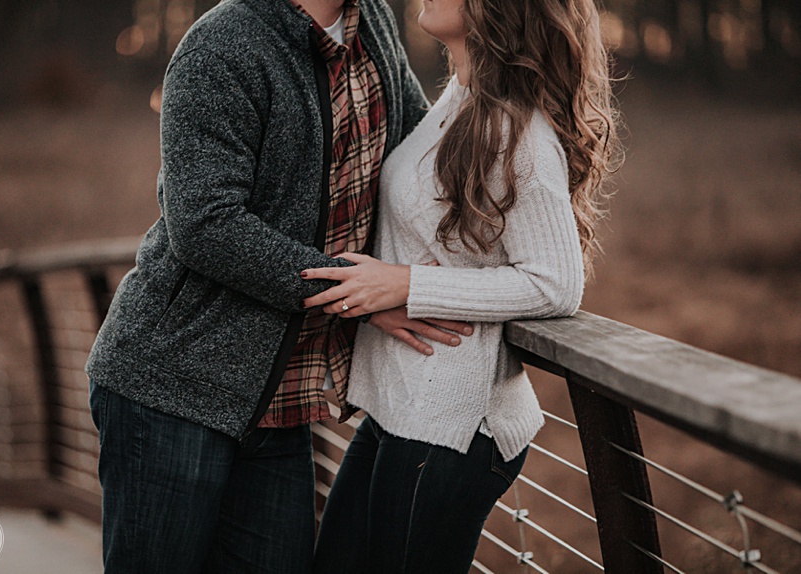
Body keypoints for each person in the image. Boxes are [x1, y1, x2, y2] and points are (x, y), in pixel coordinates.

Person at [84, 0, 473, 572]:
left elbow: (420, 157)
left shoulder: (377, 24)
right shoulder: (223, 44)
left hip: (282, 404)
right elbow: (206, 225)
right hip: (173, 391)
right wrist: (358, 296)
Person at [305, 0, 620, 571]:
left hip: (450, 425)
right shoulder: (459, 100)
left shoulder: (513, 128)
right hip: (401, 411)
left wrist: (405, 285)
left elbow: (556, 283)